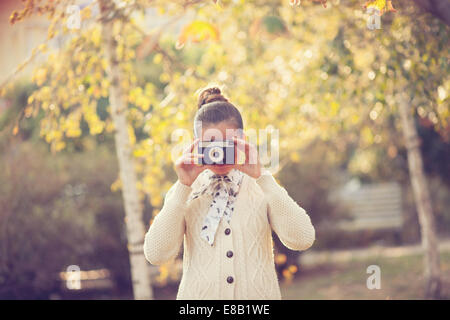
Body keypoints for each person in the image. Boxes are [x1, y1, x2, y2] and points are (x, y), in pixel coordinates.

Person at [143, 86, 315, 299]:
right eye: (210, 145)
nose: (219, 154)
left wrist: (263, 177)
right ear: (196, 145)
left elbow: (303, 239)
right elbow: (156, 255)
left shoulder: (262, 187)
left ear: (242, 141)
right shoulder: (185, 192)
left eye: (227, 144)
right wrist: (182, 186)